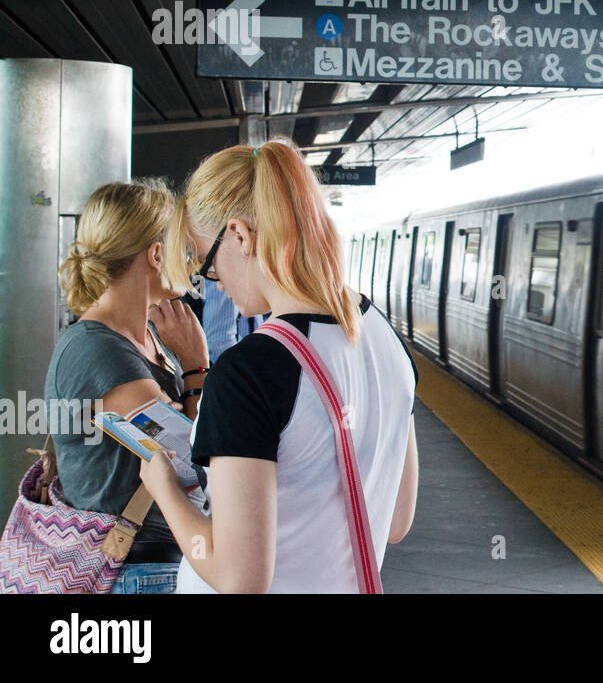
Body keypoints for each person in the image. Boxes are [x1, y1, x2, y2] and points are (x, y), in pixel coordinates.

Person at [143, 140, 419, 593]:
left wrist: (167, 493)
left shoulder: (247, 372)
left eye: (207, 263)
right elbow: (394, 522)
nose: (216, 284)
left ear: (241, 235)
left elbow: (238, 579)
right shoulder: (384, 337)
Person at [44, 180, 209, 594]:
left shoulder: (145, 340)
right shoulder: (101, 354)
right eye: (183, 249)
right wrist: (195, 369)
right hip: (131, 573)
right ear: (156, 255)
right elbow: (192, 462)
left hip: (155, 563)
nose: (193, 263)